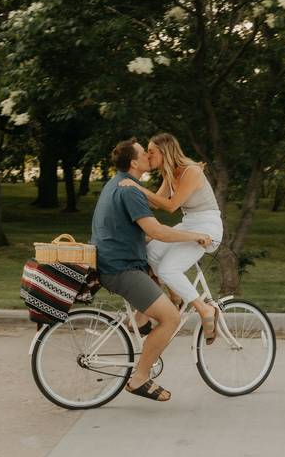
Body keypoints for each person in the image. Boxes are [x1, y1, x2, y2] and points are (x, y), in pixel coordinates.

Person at [91, 137, 212, 402]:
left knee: (158, 267)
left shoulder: (117, 184)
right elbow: (156, 230)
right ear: (134, 163)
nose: (149, 155)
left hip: (114, 261)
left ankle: (144, 322)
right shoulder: (131, 190)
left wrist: (163, 238)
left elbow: (143, 234)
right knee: (171, 319)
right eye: (144, 154)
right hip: (121, 268)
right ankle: (140, 378)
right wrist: (193, 236)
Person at [119, 133, 223, 343]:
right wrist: (127, 199)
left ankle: (205, 310)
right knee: (150, 254)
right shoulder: (170, 174)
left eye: (151, 151)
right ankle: (175, 298)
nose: (148, 155)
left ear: (165, 151)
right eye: (146, 151)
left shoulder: (191, 171)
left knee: (168, 269)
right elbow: (157, 203)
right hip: (189, 224)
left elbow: (171, 205)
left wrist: (138, 187)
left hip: (208, 227)